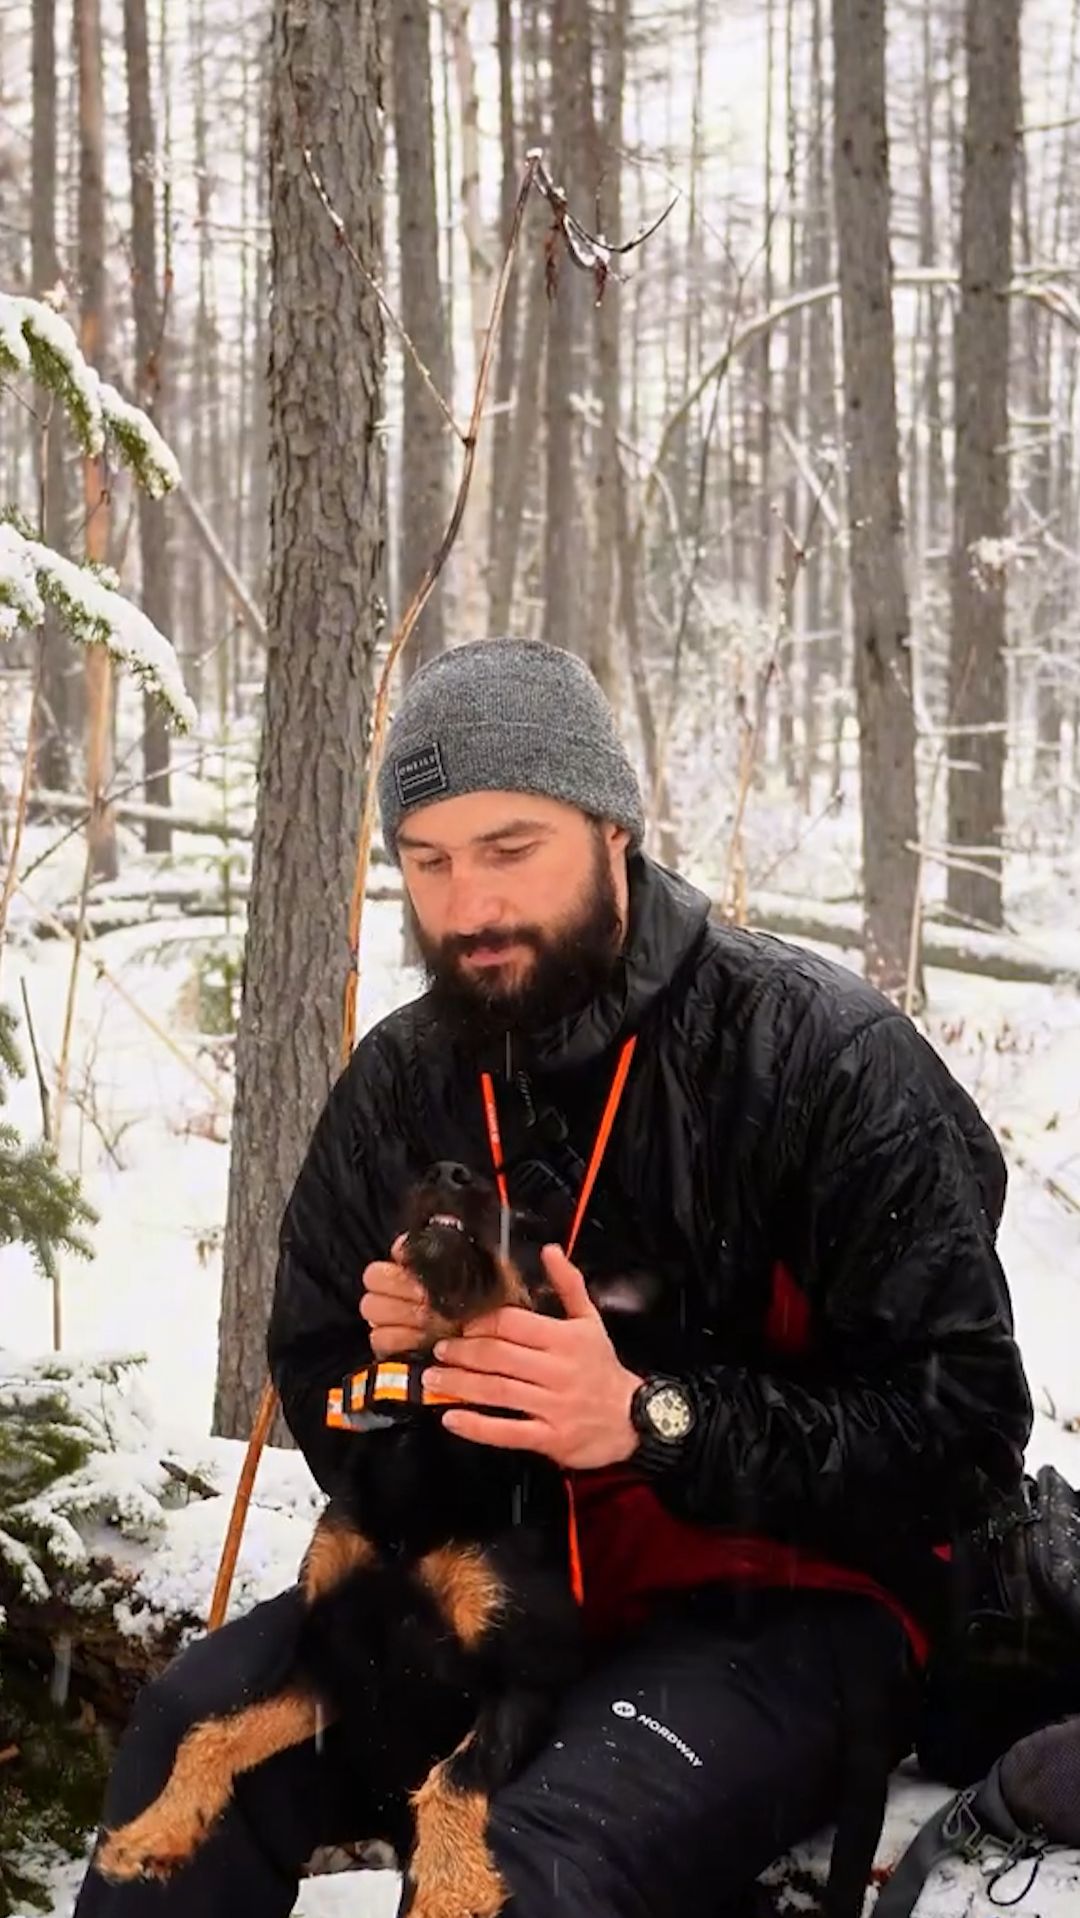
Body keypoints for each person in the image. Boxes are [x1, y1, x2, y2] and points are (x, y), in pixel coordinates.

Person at [75, 637, 1033, 1918]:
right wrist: (394, 1377)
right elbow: (319, 1385)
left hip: (780, 1604)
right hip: (490, 1577)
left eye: (511, 847)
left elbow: (966, 1429)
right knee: (181, 1758)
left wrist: (649, 1420)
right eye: (429, 860)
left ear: (614, 829)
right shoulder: (404, 1081)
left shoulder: (821, 1056)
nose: (468, 905)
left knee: (509, 1877)